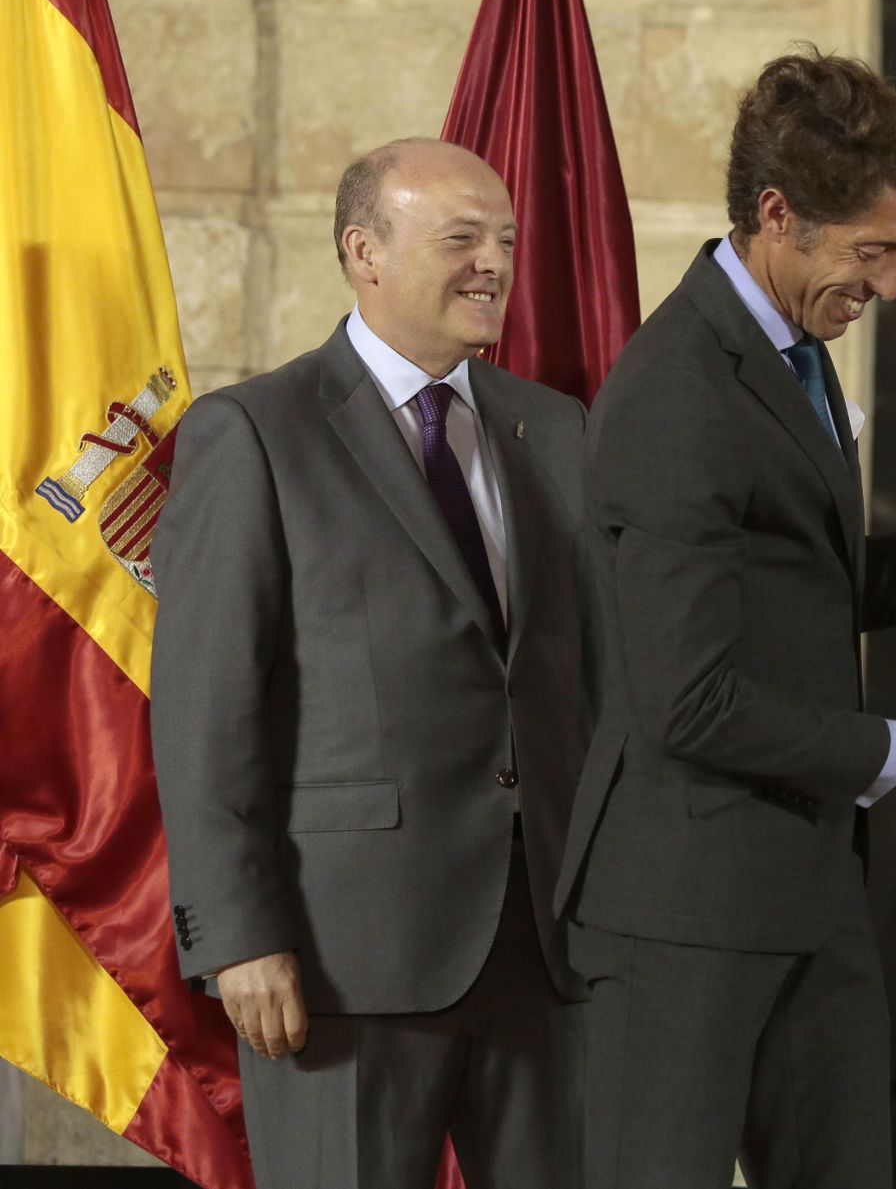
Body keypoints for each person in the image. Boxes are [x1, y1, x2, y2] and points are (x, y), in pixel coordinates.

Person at [554, 47, 896, 1189]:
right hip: (680, 919)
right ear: (777, 216)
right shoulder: (677, 391)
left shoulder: (783, 352)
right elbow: (686, 698)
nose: (891, 287)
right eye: (874, 253)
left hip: (804, 894)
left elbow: (805, 583)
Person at [151, 138, 591, 1189]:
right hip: (340, 958)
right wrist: (239, 934)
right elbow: (206, 709)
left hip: (547, 950)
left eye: (506, 240)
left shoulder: (557, 429)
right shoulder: (253, 432)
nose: (494, 262)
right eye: (462, 238)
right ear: (365, 252)